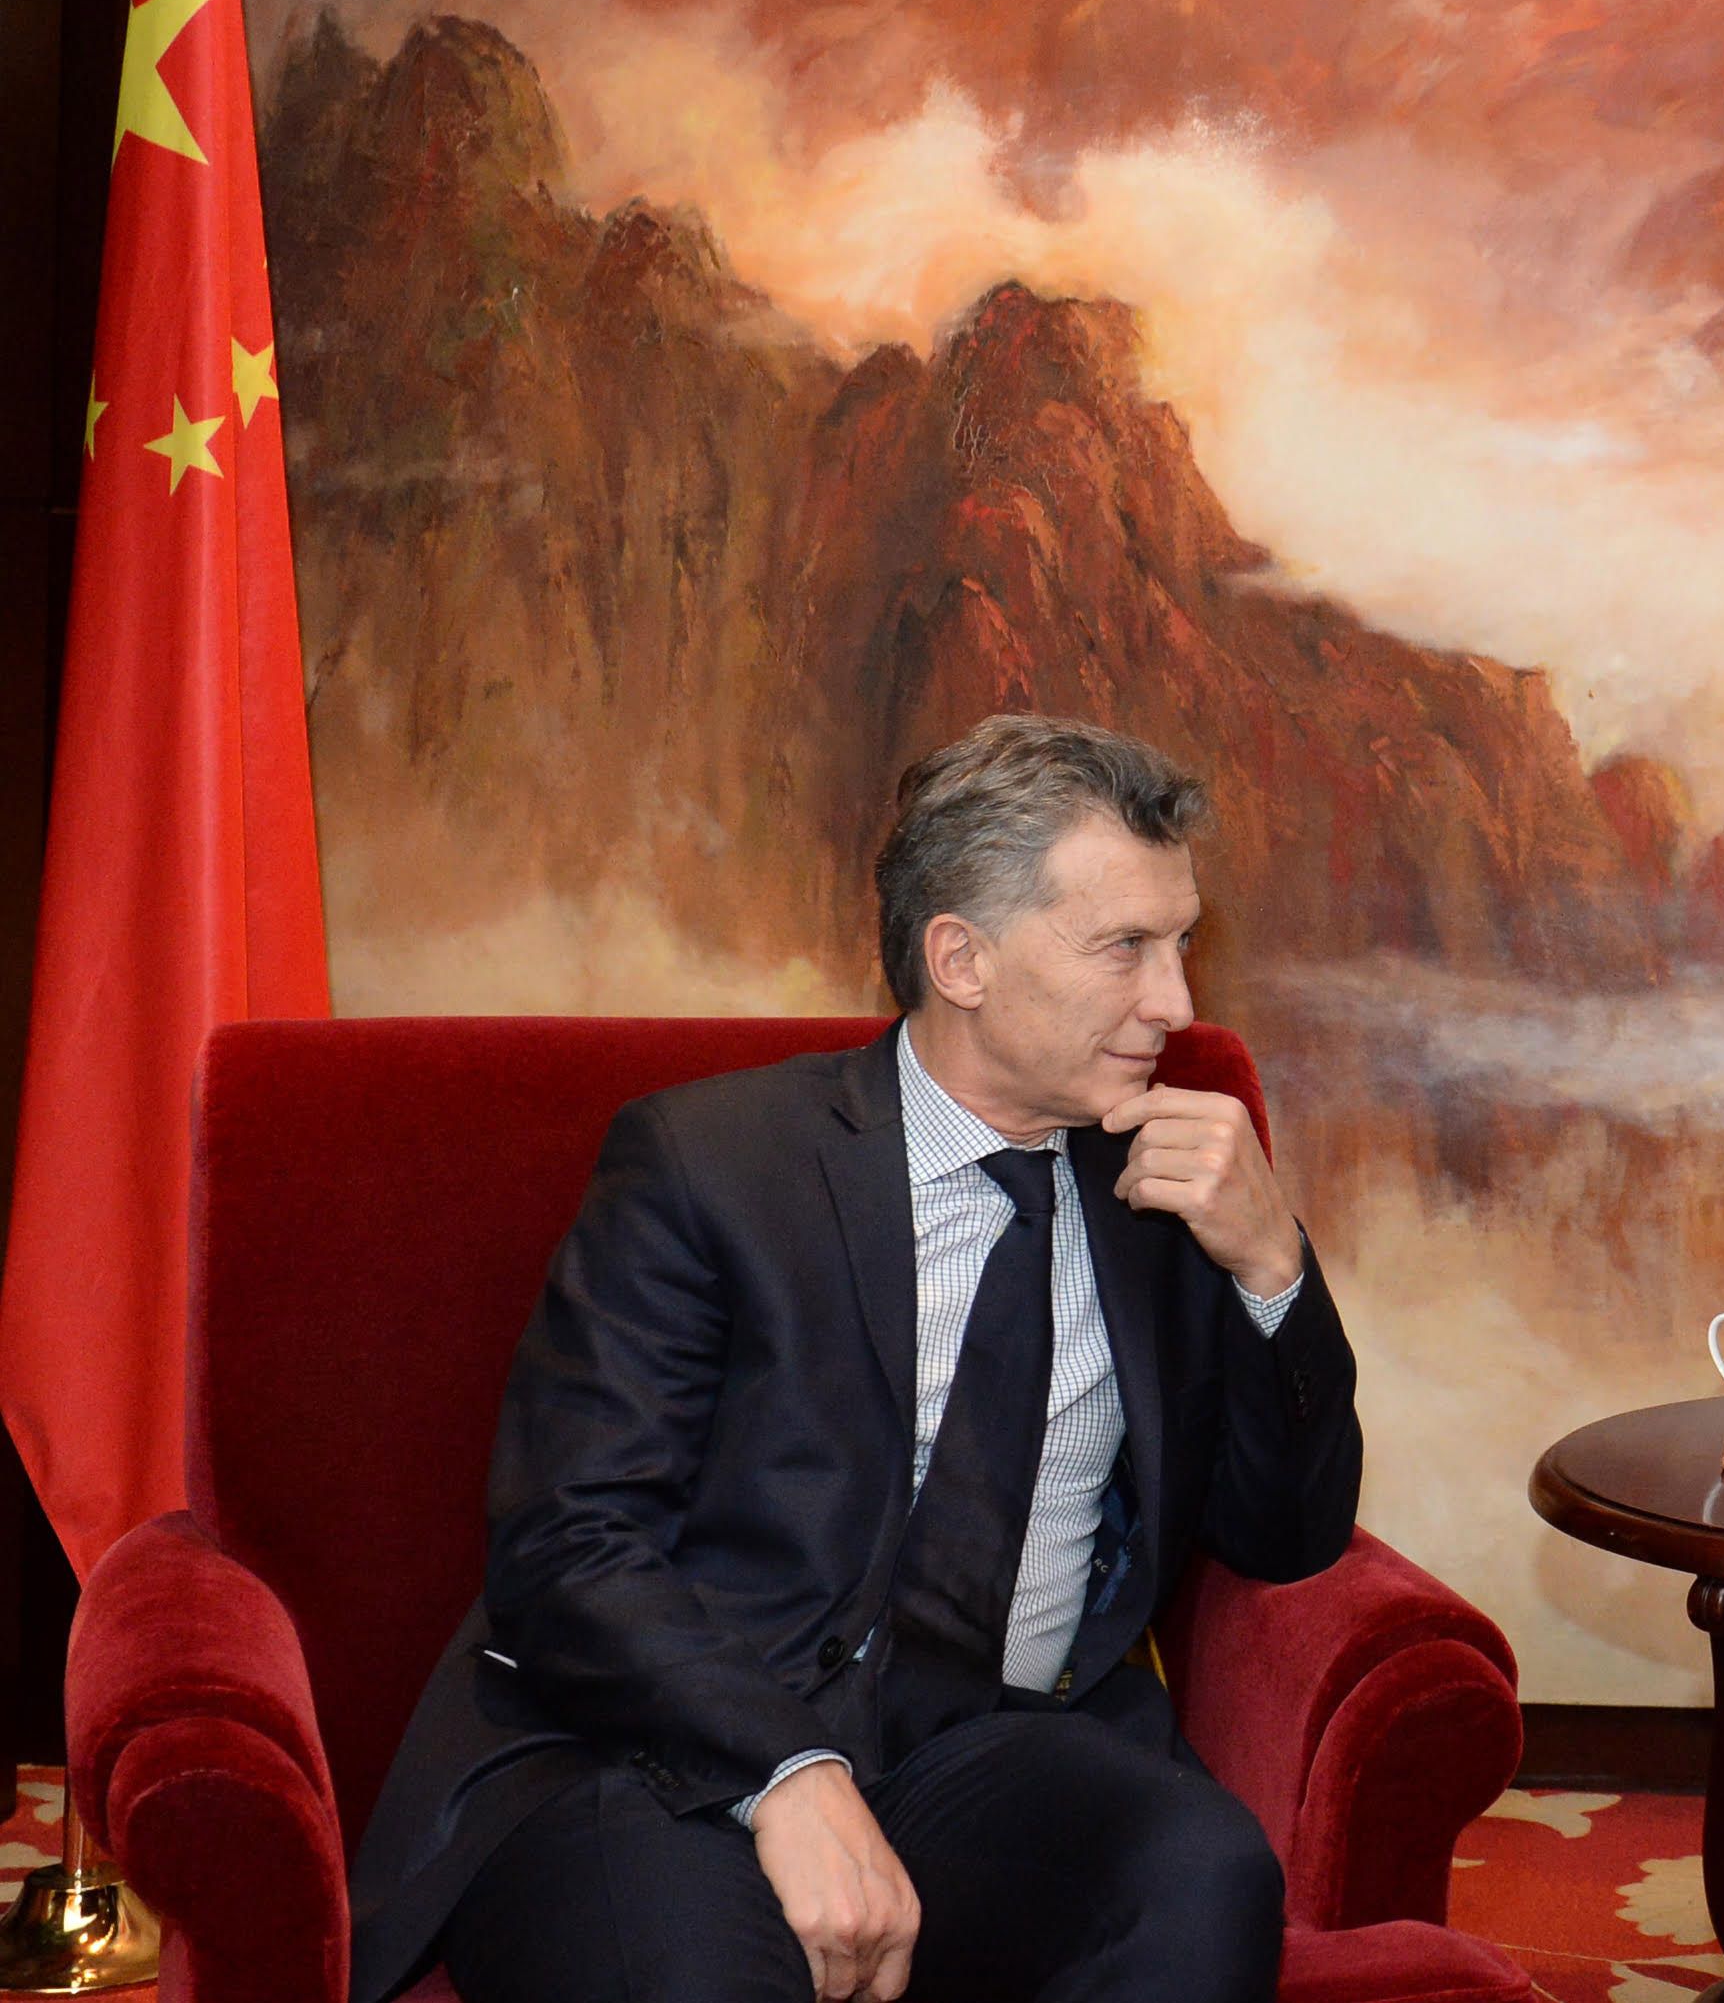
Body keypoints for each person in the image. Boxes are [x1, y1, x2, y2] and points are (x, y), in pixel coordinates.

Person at [349, 715, 1365, 2003]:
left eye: (1182, 945)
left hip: (989, 1749)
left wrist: (1272, 1267)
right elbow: (569, 1543)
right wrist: (787, 1770)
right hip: (657, 1753)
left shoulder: (1169, 1184)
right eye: (1127, 948)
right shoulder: (712, 1165)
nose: (1178, 1002)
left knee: (1202, 1872)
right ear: (962, 958)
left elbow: (1285, 1534)